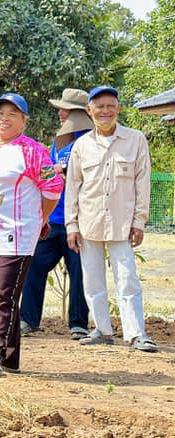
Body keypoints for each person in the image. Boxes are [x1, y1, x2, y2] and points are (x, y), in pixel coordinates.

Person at [0, 93, 63, 376]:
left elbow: (53, 189)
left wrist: (40, 218)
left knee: (4, 298)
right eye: (0, 112)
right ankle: (11, 358)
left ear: (24, 120)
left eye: (13, 113)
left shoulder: (32, 151)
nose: (4, 118)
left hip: (17, 235)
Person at [66, 86, 156, 352]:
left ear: (118, 108)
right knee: (92, 280)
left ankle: (136, 333)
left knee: (127, 278)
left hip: (122, 224)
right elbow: (73, 187)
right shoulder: (81, 145)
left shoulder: (135, 140)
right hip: (89, 222)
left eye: (110, 106)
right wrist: (71, 224)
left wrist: (139, 221)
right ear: (89, 111)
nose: (105, 111)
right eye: (99, 107)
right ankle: (103, 329)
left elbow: (143, 182)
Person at [19, 88, 93, 339]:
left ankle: (79, 325)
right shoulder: (59, 141)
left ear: (82, 113)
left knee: (80, 274)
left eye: (67, 109)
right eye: (61, 109)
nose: (61, 113)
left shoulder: (93, 140)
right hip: (53, 220)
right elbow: (49, 175)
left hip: (80, 222)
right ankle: (27, 320)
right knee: (33, 268)